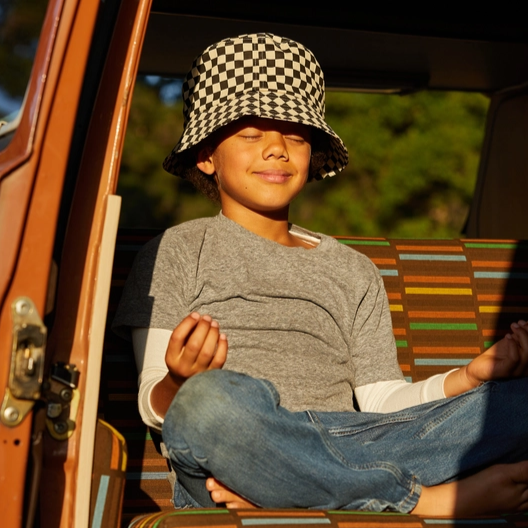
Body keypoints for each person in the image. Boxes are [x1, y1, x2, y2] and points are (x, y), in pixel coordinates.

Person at [113, 33, 528, 516]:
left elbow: (381, 402)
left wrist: (468, 377)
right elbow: (155, 405)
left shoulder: (352, 269)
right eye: (251, 134)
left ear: (312, 155)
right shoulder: (175, 251)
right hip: (237, 443)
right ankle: (423, 501)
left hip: (358, 438)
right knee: (208, 404)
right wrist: (181, 381)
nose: (276, 149)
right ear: (206, 156)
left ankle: (289, 489)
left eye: (294, 135)